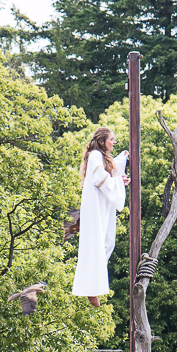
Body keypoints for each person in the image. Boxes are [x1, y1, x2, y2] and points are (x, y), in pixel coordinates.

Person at [72, 127, 129, 307]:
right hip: (95, 205)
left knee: (108, 242)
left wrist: (124, 158)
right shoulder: (95, 155)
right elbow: (99, 177)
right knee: (96, 244)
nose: (114, 142)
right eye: (111, 139)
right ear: (103, 140)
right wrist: (118, 181)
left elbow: (114, 170)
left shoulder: (105, 158)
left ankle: (93, 284)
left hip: (104, 205)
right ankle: (91, 289)